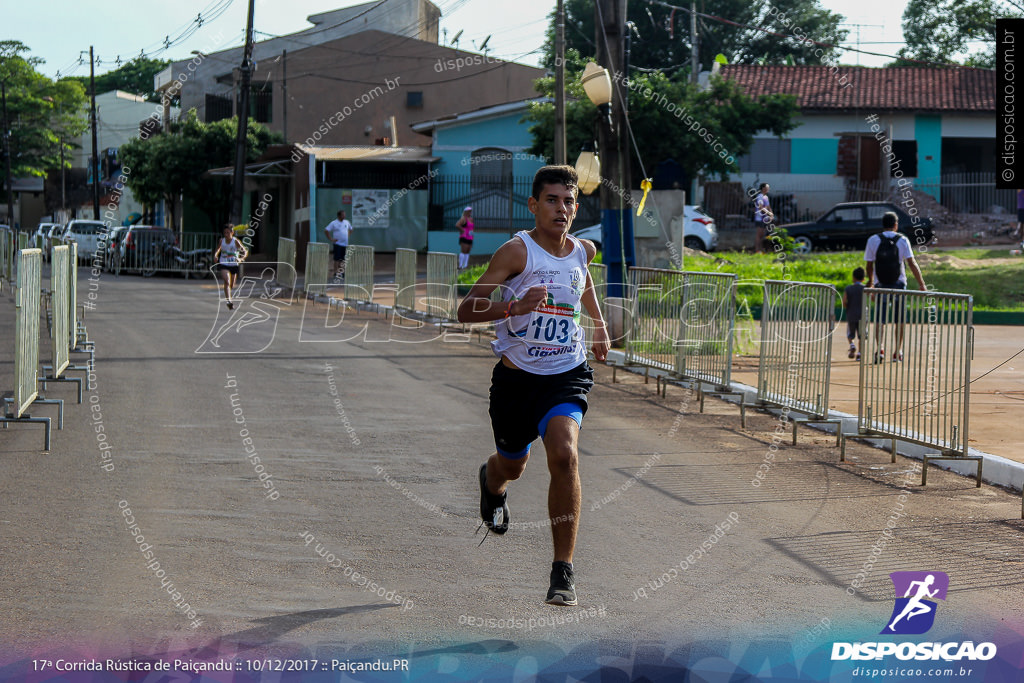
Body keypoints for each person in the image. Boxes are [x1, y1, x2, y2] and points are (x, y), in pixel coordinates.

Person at [456, 165, 610, 606]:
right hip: (516, 381)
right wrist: (512, 306)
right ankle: (492, 482)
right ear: (533, 205)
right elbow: (466, 310)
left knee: (564, 454)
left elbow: (584, 287)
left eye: (568, 201)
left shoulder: (584, 250)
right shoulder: (516, 253)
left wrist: (598, 325)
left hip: (566, 373)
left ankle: (563, 570)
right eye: (552, 200)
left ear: (576, 207)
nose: (561, 209)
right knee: (513, 465)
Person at [864, 212, 926, 363]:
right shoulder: (903, 240)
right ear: (896, 224)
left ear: (883, 224)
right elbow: (912, 263)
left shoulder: (873, 240)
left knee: (880, 319)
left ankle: (880, 349)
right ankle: (898, 351)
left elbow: (869, 265)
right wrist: (921, 284)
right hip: (899, 284)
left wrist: (871, 283)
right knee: (899, 320)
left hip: (880, 285)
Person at [214, 225, 248, 310]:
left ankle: (229, 296)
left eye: (228, 233)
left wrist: (241, 258)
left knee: (231, 284)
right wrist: (215, 255)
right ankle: (229, 300)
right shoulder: (222, 241)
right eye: (225, 233)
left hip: (233, 263)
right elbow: (218, 249)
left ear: (232, 233)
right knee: (227, 280)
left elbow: (245, 251)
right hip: (224, 262)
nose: (226, 235)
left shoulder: (235, 241)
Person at [842, 267, 866, 361]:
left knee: (850, 334)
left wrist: (847, 306)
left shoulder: (848, 288)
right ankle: (860, 353)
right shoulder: (865, 288)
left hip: (851, 314)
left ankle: (852, 345)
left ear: (853, 278)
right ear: (863, 278)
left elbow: (844, 301)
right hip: (863, 315)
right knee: (862, 335)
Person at [324, 210, 353, 279]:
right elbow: (326, 230)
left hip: (345, 244)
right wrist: (331, 239)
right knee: (337, 258)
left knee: (343, 259)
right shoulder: (334, 223)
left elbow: (351, 229)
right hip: (337, 243)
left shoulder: (346, 222)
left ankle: (342, 272)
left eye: (344, 215)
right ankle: (335, 272)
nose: (344, 216)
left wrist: (347, 236)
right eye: (343, 215)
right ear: (339, 216)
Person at [753, 183, 773, 253]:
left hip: (765, 218)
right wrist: (768, 213)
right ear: (763, 188)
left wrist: (771, 214)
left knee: (762, 235)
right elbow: (761, 207)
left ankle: (761, 250)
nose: (768, 189)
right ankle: (757, 250)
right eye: (767, 187)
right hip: (760, 218)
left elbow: (768, 207)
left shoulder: (766, 197)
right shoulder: (760, 196)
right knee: (759, 235)